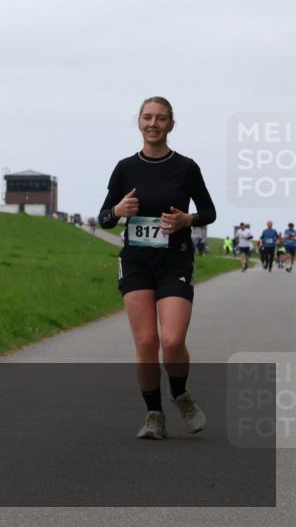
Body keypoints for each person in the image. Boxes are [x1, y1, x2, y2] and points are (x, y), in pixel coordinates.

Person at [97, 97, 216, 440]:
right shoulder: (124, 168)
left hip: (175, 260)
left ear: (171, 124)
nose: (153, 123)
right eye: (147, 117)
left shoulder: (186, 167)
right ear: (139, 122)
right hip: (135, 261)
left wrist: (187, 219)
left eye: (160, 118)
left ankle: (180, 393)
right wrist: (118, 210)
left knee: (173, 339)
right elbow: (105, 219)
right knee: (147, 342)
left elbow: (208, 212)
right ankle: (153, 414)